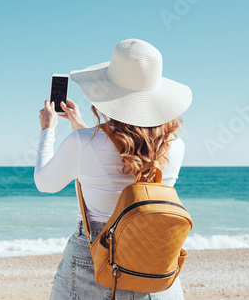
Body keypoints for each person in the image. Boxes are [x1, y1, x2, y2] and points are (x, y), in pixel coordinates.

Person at [34, 39, 192, 300]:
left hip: (96, 260)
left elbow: (45, 183)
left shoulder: (83, 142)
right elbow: (115, 153)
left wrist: (47, 130)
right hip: (155, 265)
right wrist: (81, 126)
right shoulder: (175, 146)